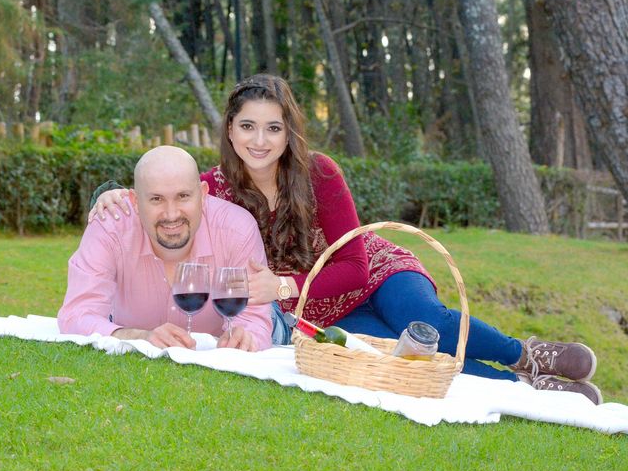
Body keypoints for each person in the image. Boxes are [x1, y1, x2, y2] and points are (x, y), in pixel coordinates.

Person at [90, 74, 602, 403]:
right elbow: (164, 198)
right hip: (324, 311)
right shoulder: (213, 187)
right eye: (248, 126)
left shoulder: (321, 175)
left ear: (288, 131)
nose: (259, 141)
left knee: (421, 326)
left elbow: (355, 268)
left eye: (273, 128)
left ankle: (524, 354)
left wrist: (283, 286)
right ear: (229, 130)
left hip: (377, 274)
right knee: (397, 359)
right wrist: (112, 196)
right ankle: (527, 389)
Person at [59, 145, 272, 352]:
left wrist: (244, 337)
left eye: (183, 196)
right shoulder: (109, 227)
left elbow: (253, 317)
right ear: (134, 201)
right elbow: (77, 313)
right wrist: (140, 337)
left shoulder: (237, 229)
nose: (171, 214)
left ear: (203, 193)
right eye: (156, 199)